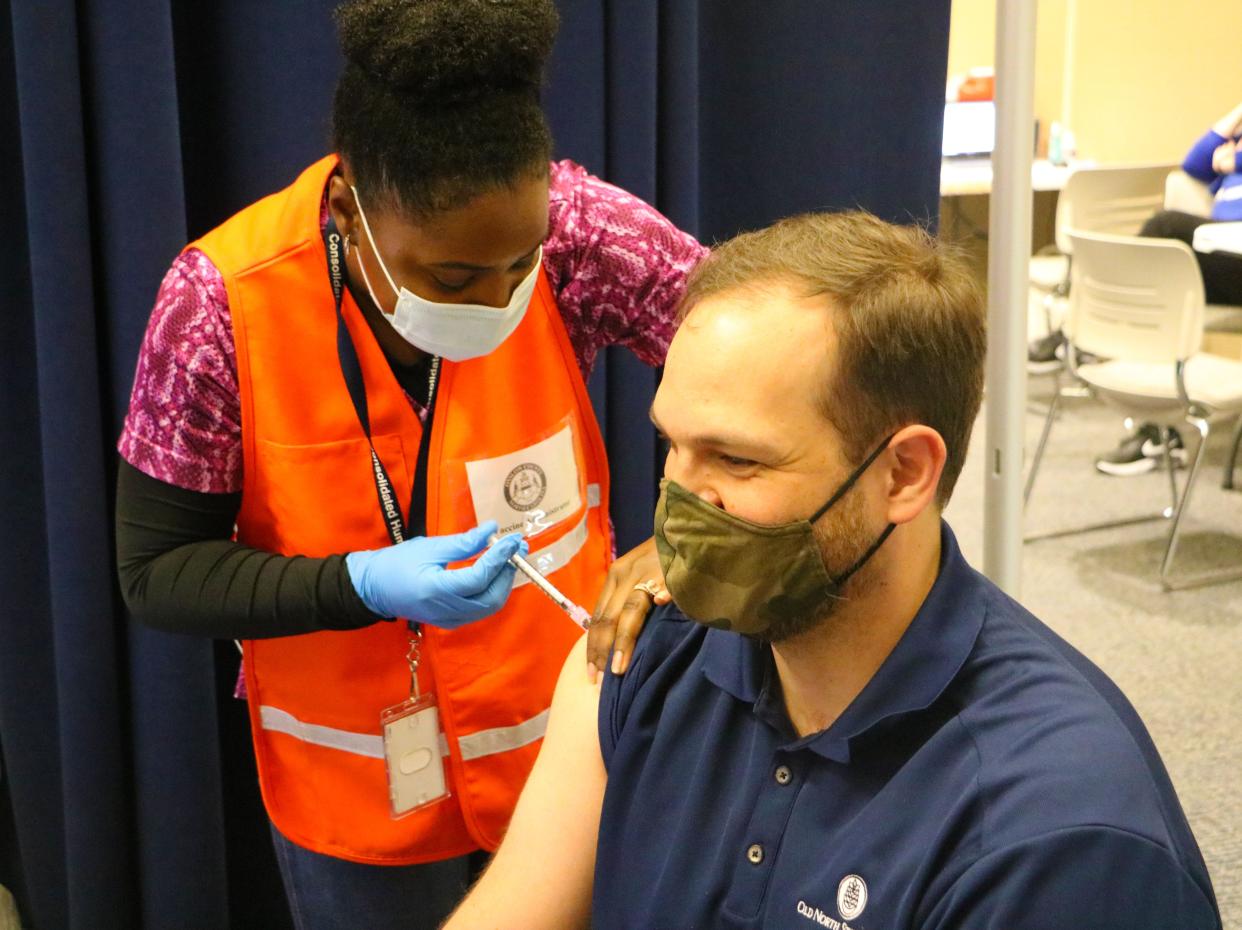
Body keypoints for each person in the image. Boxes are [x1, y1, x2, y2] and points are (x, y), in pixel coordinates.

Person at [444, 211, 1221, 930]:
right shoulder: (648, 651)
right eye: (672, 447)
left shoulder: (1056, 832)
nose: (680, 502)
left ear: (904, 474)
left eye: (737, 460)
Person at [113, 1, 701, 927]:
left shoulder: (577, 229)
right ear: (350, 210)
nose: (503, 296)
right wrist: (360, 584)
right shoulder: (218, 307)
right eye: (455, 280)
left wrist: (685, 537)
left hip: (564, 763)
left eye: (520, 263)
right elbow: (155, 573)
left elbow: (762, 361)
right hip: (354, 807)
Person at [1094, 101, 1242, 475]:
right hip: (1221, 252)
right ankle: (1159, 432)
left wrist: (1234, 164)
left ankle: (1104, 322)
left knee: (1166, 227)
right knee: (1167, 289)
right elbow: (1194, 163)